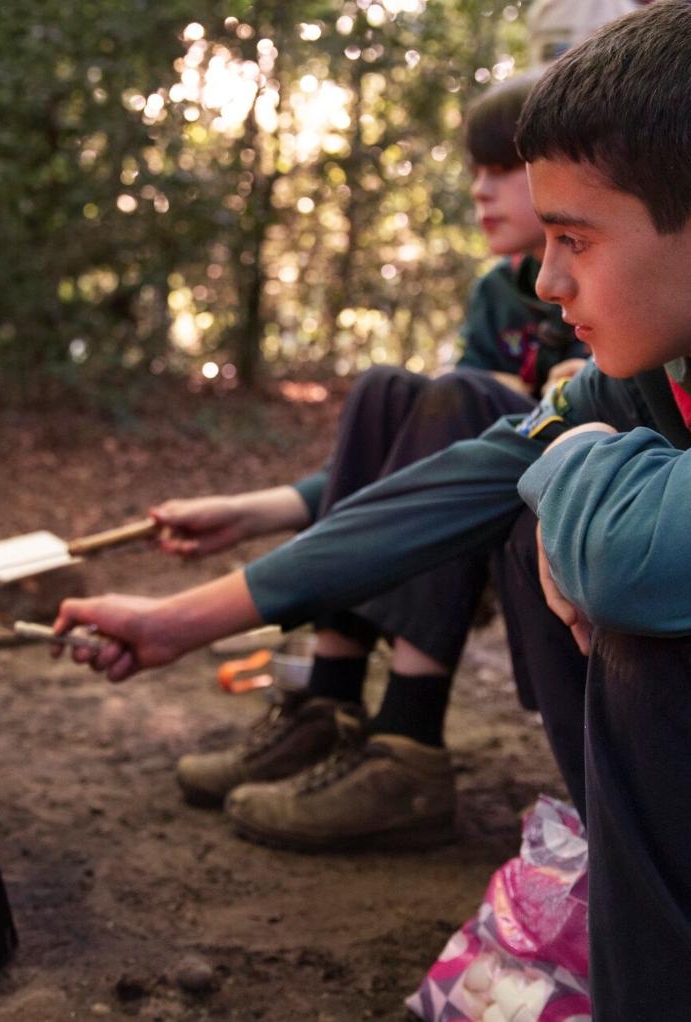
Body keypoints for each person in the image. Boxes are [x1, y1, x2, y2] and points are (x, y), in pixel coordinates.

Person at [57, 1, 691, 1015]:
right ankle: (656, 875)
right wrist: (180, 619)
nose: (548, 280)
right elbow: (471, 476)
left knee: (675, 620)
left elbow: (647, 561)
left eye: (573, 238)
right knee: (543, 532)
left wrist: (574, 468)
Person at [147, 72, 589, 852]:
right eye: (476, 171)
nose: (482, 192)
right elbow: (418, 457)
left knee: (456, 397)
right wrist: (259, 509)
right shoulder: (500, 293)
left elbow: (495, 438)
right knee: (388, 389)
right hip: (478, 486)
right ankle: (329, 700)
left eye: (502, 169)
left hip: (545, 509)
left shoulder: (596, 273)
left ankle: (408, 740)